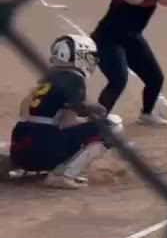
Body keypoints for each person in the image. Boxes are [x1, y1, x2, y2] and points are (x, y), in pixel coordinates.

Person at [9, 34, 122, 189]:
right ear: (77, 55)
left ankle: (14, 166)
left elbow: (25, 110)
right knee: (112, 124)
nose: (92, 61)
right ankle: (64, 175)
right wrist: (91, 120)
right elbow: (69, 123)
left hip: (19, 150)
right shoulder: (74, 79)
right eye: (89, 56)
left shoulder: (48, 77)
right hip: (41, 150)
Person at [91, 0, 167, 126]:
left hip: (132, 38)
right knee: (118, 80)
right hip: (108, 38)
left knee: (155, 77)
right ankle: (97, 120)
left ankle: (147, 114)